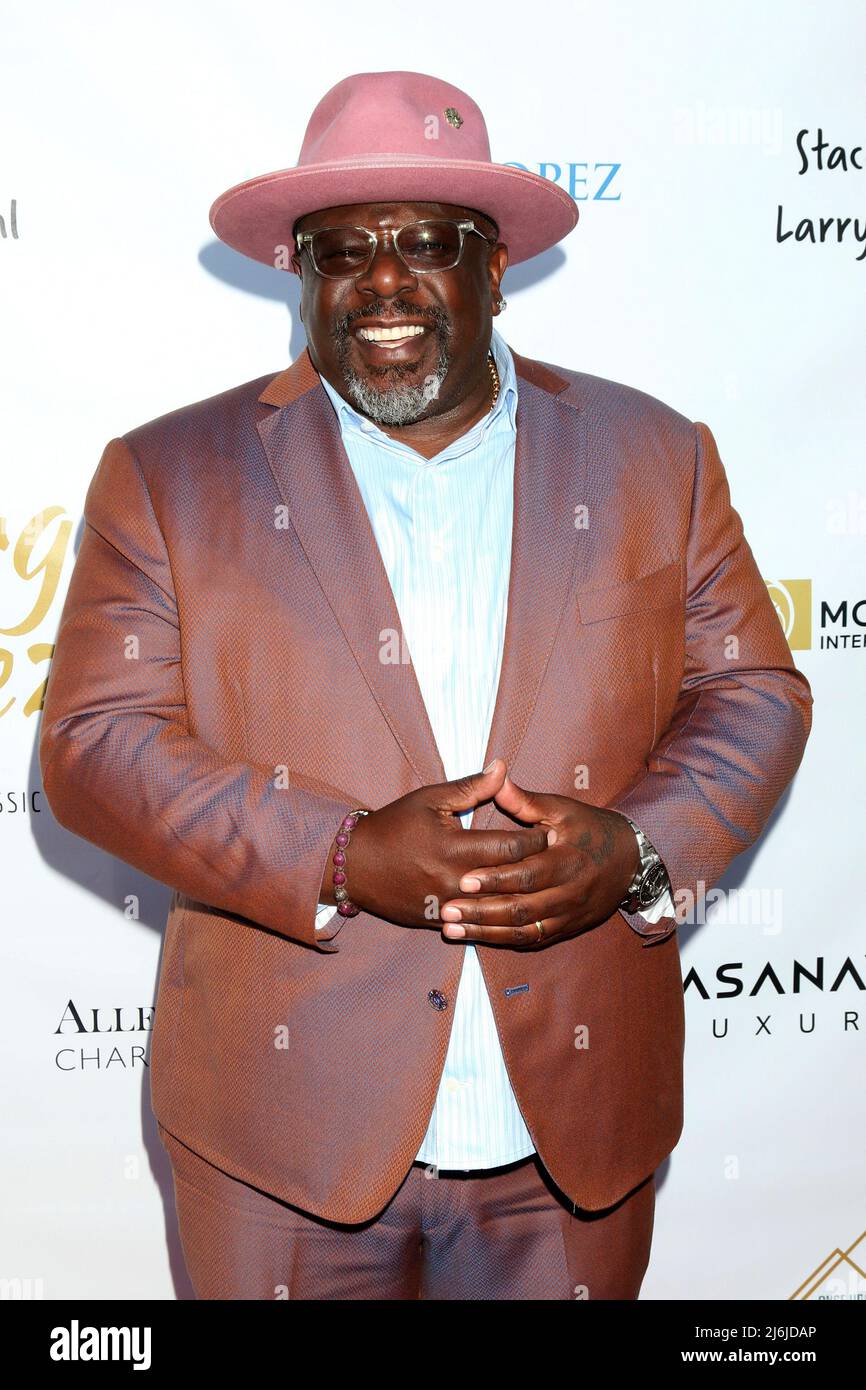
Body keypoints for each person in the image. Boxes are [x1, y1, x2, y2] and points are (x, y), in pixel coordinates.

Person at [39, 70, 813, 1300]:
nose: (382, 282)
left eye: (424, 244)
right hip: (277, 1145)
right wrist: (337, 854)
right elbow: (92, 746)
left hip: (571, 1131)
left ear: (494, 265)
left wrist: (634, 852)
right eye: (342, 250)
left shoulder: (653, 456)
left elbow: (753, 695)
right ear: (298, 273)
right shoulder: (169, 477)